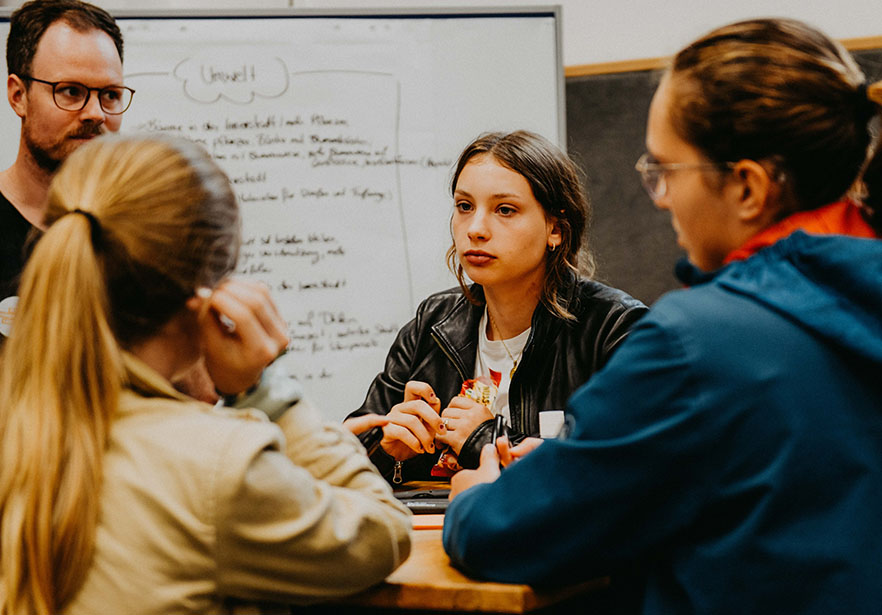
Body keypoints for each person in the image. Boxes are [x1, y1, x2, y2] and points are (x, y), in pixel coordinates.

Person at [442, 18, 882, 614]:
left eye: (667, 171)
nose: (664, 197)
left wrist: (476, 496)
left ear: (748, 188)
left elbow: (512, 531)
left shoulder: (695, 345)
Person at [0, 134, 412, 615]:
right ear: (209, 297)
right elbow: (384, 532)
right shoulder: (220, 465)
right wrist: (263, 388)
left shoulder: (21, 423)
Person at [346, 130, 647, 483]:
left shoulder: (613, 327)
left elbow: (635, 468)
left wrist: (483, 439)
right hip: (441, 533)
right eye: (464, 206)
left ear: (556, 228)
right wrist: (388, 449)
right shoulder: (434, 322)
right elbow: (345, 461)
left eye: (505, 210)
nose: (475, 229)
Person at [1, 0, 130, 327]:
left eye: (111, 95)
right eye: (71, 91)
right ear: (19, 96)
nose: (97, 113)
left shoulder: (138, 231)